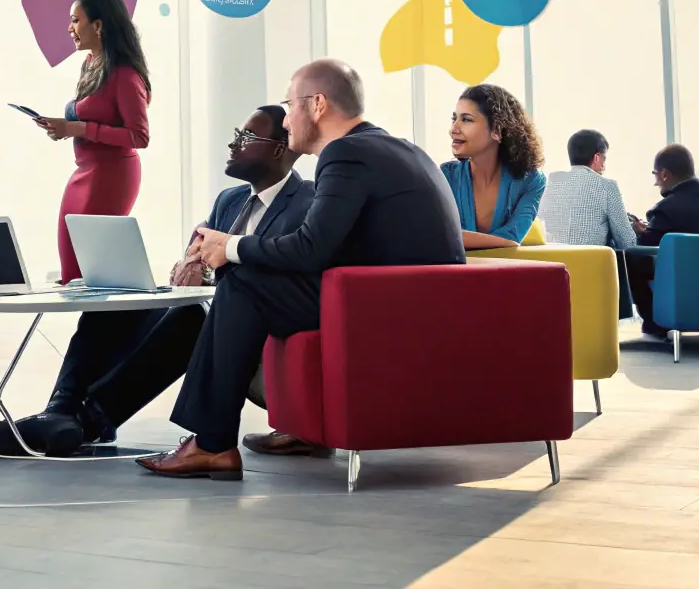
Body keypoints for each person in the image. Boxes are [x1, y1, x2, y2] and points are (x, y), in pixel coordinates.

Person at [138, 60, 465, 480]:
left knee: (242, 285)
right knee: (250, 281)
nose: (286, 119)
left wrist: (229, 247)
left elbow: (311, 248)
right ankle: (278, 432)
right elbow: (337, 247)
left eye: (290, 105)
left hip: (388, 310)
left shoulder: (345, 154)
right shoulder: (398, 148)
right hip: (413, 303)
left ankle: (212, 444)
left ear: (317, 104)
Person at [0, 105, 312, 457]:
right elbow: (203, 259)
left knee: (191, 319)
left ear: (278, 150)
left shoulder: (308, 203)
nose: (233, 144)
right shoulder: (230, 199)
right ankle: (60, 410)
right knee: (115, 305)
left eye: (246, 137)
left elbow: (288, 271)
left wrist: (224, 263)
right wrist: (191, 266)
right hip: (223, 315)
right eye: (236, 135)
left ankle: (87, 422)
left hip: (258, 326)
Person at [37, 0, 151, 283]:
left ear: (98, 25)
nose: (70, 28)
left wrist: (76, 128)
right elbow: (92, 116)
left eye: (76, 20)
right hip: (84, 172)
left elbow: (139, 137)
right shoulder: (90, 64)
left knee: (89, 269)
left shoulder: (125, 75)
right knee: (72, 267)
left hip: (111, 176)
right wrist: (63, 127)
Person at [440, 84, 546, 250]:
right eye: (454, 119)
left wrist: (454, 237)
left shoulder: (531, 181)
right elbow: (434, 234)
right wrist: (504, 242)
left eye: (466, 119)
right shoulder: (446, 176)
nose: (453, 129)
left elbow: (513, 236)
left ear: (497, 129)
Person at [628, 144, 699, 336]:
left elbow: (646, 247)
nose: (655, 183)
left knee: (631, 259)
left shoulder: (665, 209)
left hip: (685, 281)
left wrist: (642, 233)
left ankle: (655, 324)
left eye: (655, 175)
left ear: (664, 174)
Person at [538, 129, 637, 251]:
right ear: (597, 157)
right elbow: (627, 243)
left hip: (547, 260)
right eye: (604, 159)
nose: (604, 166)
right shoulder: (607, 186)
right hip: (585, 261)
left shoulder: (552, 181)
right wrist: (635, 229)